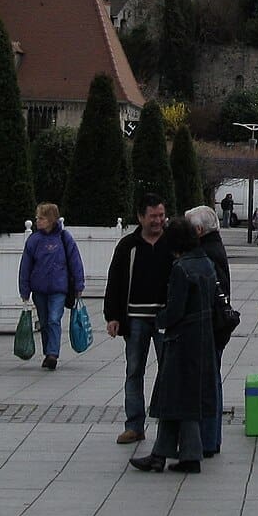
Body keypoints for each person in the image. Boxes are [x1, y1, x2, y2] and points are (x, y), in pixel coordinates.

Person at [130, 217, 217, 474]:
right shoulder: (206, 263)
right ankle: (167, 454)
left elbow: (176, 310)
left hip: (182, 340)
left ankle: (183, 455)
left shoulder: (181, 268)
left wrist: (159, 319)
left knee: (176, 397)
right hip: (202, 339)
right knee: (181, 398)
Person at [104, 193, 172, 445]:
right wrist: (112, 316)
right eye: (153, 216)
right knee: (134, 371)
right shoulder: (127, 246)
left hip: (166, 318)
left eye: (161, 215)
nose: (158, 221)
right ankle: (134, 425)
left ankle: (168, 425)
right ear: (140, 217)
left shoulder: (171, 243)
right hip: (135, 318)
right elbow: (115, 282)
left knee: (168, 372)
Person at [18, 203, 85, 371]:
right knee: (45, 322)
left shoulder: (64, 238)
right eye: (37, 218)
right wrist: (24, 289)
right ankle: (48, 351)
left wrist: (79, 284)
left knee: (54, 319)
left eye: (41, 218)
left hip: (59, 288)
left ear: (51, 219)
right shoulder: (34, 240)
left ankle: (53, 354)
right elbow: (25, 266)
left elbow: (75, 261)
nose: (37, 221)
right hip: (39, 289)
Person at [186, 205, 230, 457]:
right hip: (216, 326)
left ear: (199, 230)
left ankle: (208, 439)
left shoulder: (206, 254)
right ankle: (210, 438)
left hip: (210, 326)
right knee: (212, 379)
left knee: (209, 382)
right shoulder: (214, 247)